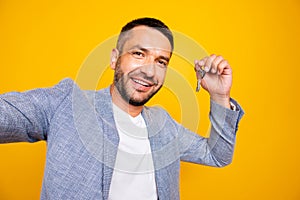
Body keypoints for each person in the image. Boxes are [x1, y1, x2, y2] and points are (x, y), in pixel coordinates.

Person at [0, 17, 244, 200]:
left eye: (161, 62)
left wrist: (220, 95)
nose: (149, 71)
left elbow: (217, 155)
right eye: (139, 54)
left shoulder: (163, 124)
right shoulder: (65, 103)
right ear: (115, 58)